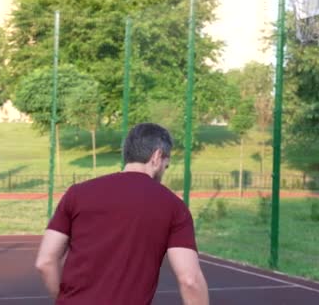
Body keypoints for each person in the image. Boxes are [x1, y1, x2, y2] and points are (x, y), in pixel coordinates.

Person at [35, 122, 209, 304]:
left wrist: (63, 299)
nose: (164, 172)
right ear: (157, 156)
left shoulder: (77, 193)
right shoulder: (174, 206)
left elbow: (45, 262)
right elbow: (190, 280)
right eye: (167, 166)